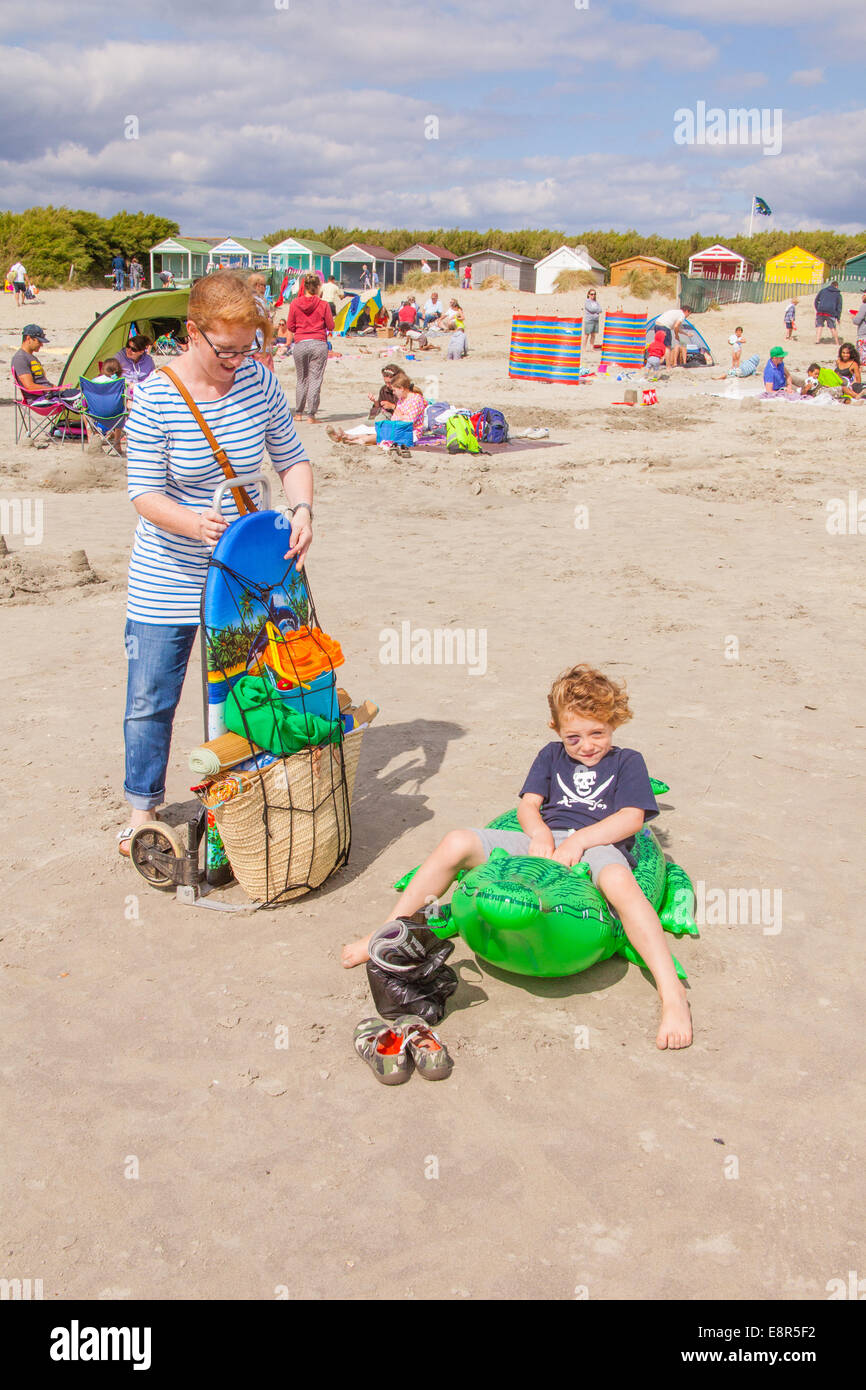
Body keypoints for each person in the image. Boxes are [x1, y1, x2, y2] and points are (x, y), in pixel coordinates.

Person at [341, 663, 692, 1050]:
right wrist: (540, 831)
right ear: (556, 729)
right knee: (457, 840)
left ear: (614, 723)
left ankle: (672, 993)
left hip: (600, 844)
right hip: (545, 838)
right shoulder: (550, 756)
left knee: (619, 882)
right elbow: (529, 806)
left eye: (598, 733)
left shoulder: (628, 762)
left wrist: (580, 843)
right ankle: (388, 932)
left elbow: (631, 818)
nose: (587, 745)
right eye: (573, 737)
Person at [118, 270, 312, 852]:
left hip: (243, 576)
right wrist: (193, 522)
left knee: (248, 691)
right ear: (192, 332)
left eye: (248, 345)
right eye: (225, 348)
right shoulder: (154, 395)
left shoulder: (257, 380)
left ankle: (245, 799)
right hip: (168, 575)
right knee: (152, 697)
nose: (238, 358)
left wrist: (302, 509)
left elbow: (292, 458)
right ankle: (141, 810)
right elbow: (145, 493)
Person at [326, 368, 426, 451]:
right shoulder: (402, 399)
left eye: (395, 390)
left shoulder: (415, 399)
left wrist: (400, 416)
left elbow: (409, 422)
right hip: (398, 427)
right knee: (376, 428)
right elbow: (396, 417)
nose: (394, 393)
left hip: (411, 432)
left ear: (401, 388)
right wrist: (400, 416)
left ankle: (355, 439)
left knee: (384, 432)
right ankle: (347, 436)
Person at [285, 271, 334, 423]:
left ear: (304, 287)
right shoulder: (323, 304)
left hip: (300, 343)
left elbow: (290, 326)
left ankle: (298, 413)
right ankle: (311, 415)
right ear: (318, 287)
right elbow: (331, 325)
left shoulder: (295, 303)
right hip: (318, 342)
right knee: (315, 379)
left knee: (302, 379)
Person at [12, 325, 80, 405]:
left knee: (82, 394)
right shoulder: (20, 358)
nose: (41, 345)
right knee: (81, 397)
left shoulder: (31, 357)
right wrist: (53, 389)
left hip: (49, 394)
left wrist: (60, 388)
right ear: (28, 339)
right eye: (39, 341)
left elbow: (43, 382)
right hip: (40, 398)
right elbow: (29, 386)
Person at [246, 271, 274, 372]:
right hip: (261, 346)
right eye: (264, 285)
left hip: (248, 347)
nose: (265, 288)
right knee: (265, 378)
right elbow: (266, 325)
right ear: (257, 286)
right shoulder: (260, 302)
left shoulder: (245, 301)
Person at [814, 280, 842, 345]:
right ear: (836, 286)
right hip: (830, 312)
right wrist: (838, 317)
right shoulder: (837, 294)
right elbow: (839, 307)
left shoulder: (823, 291)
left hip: (820, 311)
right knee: (832, 327)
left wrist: (818, 309)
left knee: (819, 326)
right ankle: (837, 342)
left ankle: (817, 340)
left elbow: (816, 301)